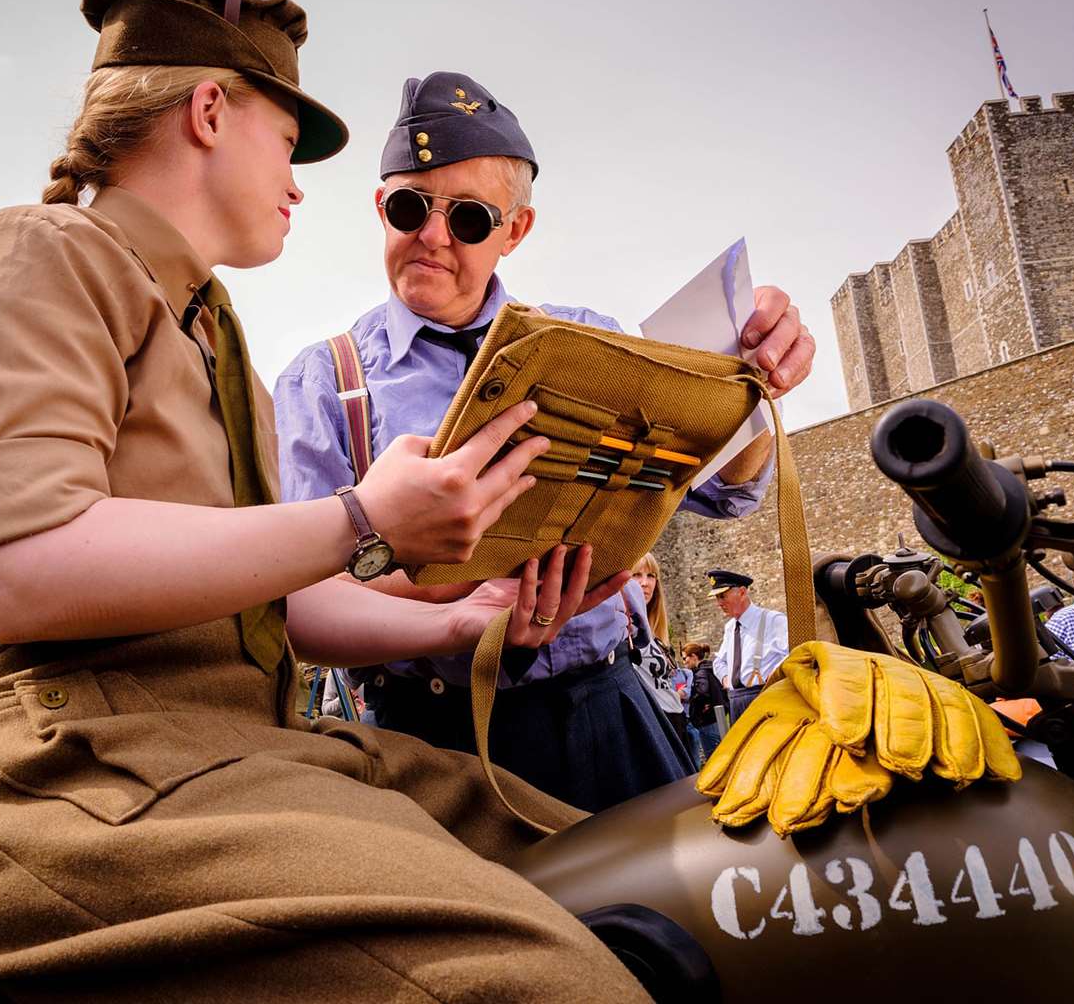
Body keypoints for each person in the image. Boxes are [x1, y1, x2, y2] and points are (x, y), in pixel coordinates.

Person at [0, 0, 652, 1003]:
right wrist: (364, 517)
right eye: (287, 145)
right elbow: (22, 573)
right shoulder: (39, 252)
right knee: (543, 983)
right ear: (208, 111)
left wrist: (467, 622)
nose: (297, 182)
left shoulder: (209, 330)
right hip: (60, 770)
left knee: (644, 877)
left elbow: (279, 602)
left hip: (235, 749)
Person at [275, 70, 816, 812]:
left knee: (674, 923)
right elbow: (301, 601)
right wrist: (461, 600)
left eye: (467, 218)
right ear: (380, 207)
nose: (432, 237)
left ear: (514, 230)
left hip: (613, 707)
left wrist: (752, 380)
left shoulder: (591, 338)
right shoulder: (323, 384)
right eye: (410, 207)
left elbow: (721, 493)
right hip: (436, 736)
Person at [628, 552, 691, 753]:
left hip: (676, 719)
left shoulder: (654, 632)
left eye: (651, 576)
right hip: (653, 724)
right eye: (636, 575)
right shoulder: (620, 629)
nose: (645, 583)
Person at [708, 568, 789, 721]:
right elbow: (719, 661)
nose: (719, 603)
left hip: (765, 697)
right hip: (736, 700)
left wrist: (775, 676)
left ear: (742, 592)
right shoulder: (730, 627)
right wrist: (726, 679)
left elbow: (793, 654)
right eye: (717, 598)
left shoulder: (773, 620)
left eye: (723, 596)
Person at [682, 640, 726, 765]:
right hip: (717, 717)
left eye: (685, 658)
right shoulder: (712, 669)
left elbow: (702, 692)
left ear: (694, 657)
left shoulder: (701, 673)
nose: (684, 662)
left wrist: (698, 706)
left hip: (707, 720)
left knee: (714, 761)